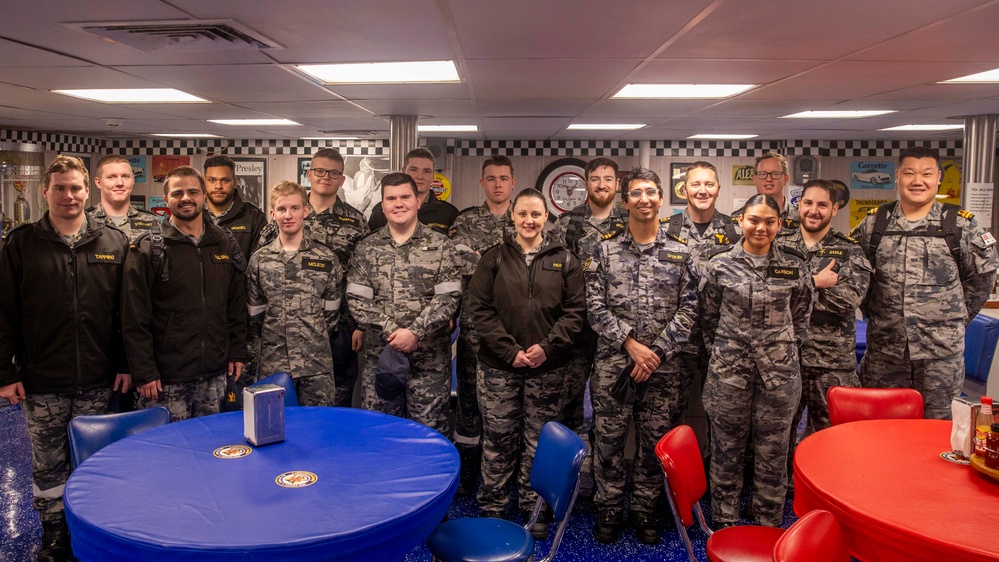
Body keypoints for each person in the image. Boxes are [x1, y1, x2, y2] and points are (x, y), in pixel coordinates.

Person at [0, 155, 130, 561]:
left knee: (94, 464)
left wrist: (126, 364)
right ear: (45, 192)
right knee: (49, 470)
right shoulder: (21, 243)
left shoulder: (113, 242)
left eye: (75, 188)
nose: (68, 196)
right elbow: (3, 312)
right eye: (60, 188)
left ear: (86, 191)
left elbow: (126, 313)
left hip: (98, 378)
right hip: (43, 380)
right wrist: (5, 372)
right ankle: (55, 538)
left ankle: (93, 532)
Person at [585, 167, 699, 545]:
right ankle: (610, 506)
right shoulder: (604, 250)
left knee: (654, 443)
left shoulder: (682, 254)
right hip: (614, 366)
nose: (644, 199)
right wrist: (631, 345)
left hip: (664, 370)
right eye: (636, 193)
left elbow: (690, 310)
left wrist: (657, 352)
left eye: (651, 192)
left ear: (661, 199)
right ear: (626, 201)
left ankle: (645, 508)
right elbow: (594, 307)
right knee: (609, 440)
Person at [469, 188, 586, 539]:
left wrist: (546, 348)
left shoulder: (565, 260)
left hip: (548, 368)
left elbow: (576, 312)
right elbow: (479, 309)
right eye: (522, 214)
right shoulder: (493, 258)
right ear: (513, 217)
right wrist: (509, 350)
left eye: (536, 214)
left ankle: (533, 509)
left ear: (546, 218)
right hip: (499, 367)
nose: (529, 221)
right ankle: (492, 507)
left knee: (538, 442)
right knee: (499, 438)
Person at [852, 146, 998, 419]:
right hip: (885, 350)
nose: (917, 181)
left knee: (938, 429)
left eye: (926, 174)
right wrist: (874, 314)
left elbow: (982, 279)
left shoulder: (960, 226)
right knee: (879, 427)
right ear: (897, 176)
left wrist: (954, 318)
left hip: (940, 354)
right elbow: (857, 276)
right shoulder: (874, 224)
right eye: (909, 173)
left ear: (939, 177)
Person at [700, 193, 813, 528]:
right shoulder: (719, 264)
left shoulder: (794, 263)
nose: (760, 227)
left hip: (779, 375)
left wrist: (777, 349)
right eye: (754, 220)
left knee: (774, 452)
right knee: (726, 449)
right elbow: (707, 317)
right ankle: (724, 522)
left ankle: (768, 524)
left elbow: (802, 316)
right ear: (740, 221)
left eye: (769, 221)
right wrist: (727, 352)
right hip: (728, 373)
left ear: (779, 225)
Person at [122, 166, 248, 421]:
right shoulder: (148, 248)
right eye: (177, 193)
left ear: (203, 196)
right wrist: (145, 372)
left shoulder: (224, 242)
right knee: (169, 455)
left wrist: (237, 352)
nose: (186, 198)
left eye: (193, 192)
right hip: (166, 381)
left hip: (215, 375)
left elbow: (235, 304)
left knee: (212, 450)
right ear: (166, 199)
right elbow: (133, 318)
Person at [346, 173, 461, 433]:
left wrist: (414, 332)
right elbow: (357, 299)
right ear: (383, 205)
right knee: (381, 436)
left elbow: (449, 297)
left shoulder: (441, 246)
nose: (399, 203)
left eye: (405, 197)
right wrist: (394, 332)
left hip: (429, 365)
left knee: (428, 438)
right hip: (381, 362)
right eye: (391, 198)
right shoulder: (367, 248)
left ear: (418, 200)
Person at [259, 148, 369, 408]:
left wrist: (360, 325)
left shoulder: (355, 221)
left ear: (342, 180)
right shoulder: (286, 214)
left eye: (333, 173)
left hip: (341, 326)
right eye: (319, 171)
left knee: (335, 399)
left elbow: (364, 276)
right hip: (285, 332)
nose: (325, 177)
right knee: (281, 402)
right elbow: (261, 272)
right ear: (308, 174)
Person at [448, 154, 517, 495]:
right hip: (475, 330)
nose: (498, 184)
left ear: (512, 182)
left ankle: (504, 473)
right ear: (482, 183)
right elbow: (461, 266)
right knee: (470, 401)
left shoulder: (526, 218)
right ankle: (467, 470)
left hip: (516, 332)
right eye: (491, 178)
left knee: (507, 404)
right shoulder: (466, 221)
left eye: (503, 178)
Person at [780, 179, 871, 434]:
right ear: (799, 205)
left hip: (831, 363)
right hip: (785, 360)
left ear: (834, 209)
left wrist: (791, 293)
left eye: (822, 205)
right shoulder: (778, 246)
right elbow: (765, 297)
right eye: (808, 203)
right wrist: (814, 284)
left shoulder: (850, 250)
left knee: (837, 437)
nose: (813, 210)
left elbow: (847, 300)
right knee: (778, 440)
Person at [658, 162, 739, 433]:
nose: (702, 191)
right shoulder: (664, 230)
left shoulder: (736, 231)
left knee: (723, 417)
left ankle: (713, 473)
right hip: (678, 340)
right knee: (670, 415)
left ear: (718, 188)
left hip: (723, 339)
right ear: (684, 189)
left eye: (708, 184)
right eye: (695, 184)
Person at [246, 181, 342, 406]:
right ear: (272, 214)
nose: (288, 215)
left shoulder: (326, 258)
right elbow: (254, 313)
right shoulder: (260, 260)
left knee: (317, 429)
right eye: (281, 209)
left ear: (305, 211)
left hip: (316, 365)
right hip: (273, 362)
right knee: (273, 429)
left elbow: (331, 314)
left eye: (295, 208)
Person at [550, 157, 626, 436]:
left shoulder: (630, 221)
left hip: (618, 325)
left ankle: (601, 456)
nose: (602, 185)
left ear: (617, 184)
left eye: (608, 179)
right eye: (595, 179)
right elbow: (553, 273)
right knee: (569, 394)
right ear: (586, 184)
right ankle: (571, 458)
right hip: (577, 324)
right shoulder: (569, 222)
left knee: (611, 401)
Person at [368, 148, 458, 233]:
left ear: (433, 175)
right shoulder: (381, 211)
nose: (420, 176)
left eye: (426, 171)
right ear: (404, 171)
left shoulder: (448, 213)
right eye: (414, 170)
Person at [203, 155, 268, 261]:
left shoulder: (254, 218)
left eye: (225, 180)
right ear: (204, 181)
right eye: (212, 180)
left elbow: (261, 264)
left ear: (235, 182)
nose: (218, 186)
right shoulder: (194, 216)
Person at [89, 154, 157, 242]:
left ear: (133, 180)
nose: (120, 183)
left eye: (125, 176)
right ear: (98, 182)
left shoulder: (152, 221)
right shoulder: (85, 221)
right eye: (111, 177)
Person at [731, 152, 799, 228]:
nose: (769, 179)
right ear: (754, 179)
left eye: (775, 174)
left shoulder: (800, 217)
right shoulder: (738, 218)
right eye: (762, 174)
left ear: (786, 179)